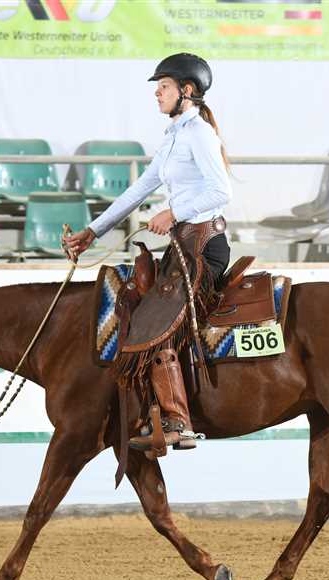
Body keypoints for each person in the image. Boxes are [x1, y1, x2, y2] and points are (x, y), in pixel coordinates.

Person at [65, 52, 232, 454]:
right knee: (145, 314)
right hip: (182, 247)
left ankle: (178, 421)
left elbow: (221, 191)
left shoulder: (199, 134)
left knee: (155, 321)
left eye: (164, 86)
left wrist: (174, 211)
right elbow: (138, 189)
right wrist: (93, 231)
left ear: (186, 91)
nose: (157, 93)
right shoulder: (174, 136)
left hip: (204, 247)